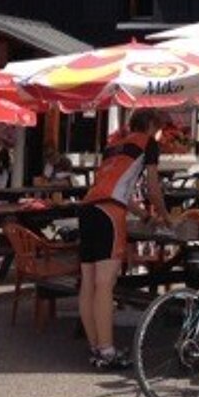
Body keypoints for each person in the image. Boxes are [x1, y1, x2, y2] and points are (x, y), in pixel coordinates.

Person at [78, 109, 166, 369]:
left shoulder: (113, 146)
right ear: (151, 124)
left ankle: (96, 348)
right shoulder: (148, 143)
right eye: (158, 128)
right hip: (109, 212)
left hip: (88, 208)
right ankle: (107, 352)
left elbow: (119, 188)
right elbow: (152, 187)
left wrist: (142, 214)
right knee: (105, 284)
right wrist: (165, 216)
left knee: (89, 282)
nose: (159, 134)